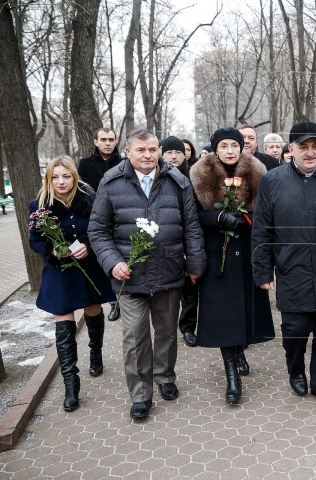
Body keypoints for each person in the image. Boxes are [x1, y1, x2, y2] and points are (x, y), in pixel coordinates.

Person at [88, 129, 207, 419]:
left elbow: (192, 226)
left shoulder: (178, 181)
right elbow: (98, 230)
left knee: (166, 332)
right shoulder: (111, 182)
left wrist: (195, 263)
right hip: (129, 277)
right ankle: (141, 394)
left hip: (168, 271)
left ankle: (165, 377)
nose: (147, 155)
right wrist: (112, 262)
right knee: (135, 337)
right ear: (127, 152)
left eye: (153, 150)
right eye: (141, 150)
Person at [252, 121, 316, 409]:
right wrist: (262, 270)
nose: (310, 153)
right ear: (291, 149)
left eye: (315, 147)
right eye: (303, 147)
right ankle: (296, 370)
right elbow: (262, 230)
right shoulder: (272, 181)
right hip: (291, 269)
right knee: (295, 330)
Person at [190, 127, 275, 403]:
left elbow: (265, 212)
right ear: (215, 149)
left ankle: (240, 350)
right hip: (217, 255)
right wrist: (217, 219)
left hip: (248, 251)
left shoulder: (256, 171)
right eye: (224, 146)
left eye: (234, 146)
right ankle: (232, 377)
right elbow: (193, 217)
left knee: (244, 307)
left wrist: (245, 220)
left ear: (242, 148)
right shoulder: (200, 174)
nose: (229, 151)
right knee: (225, 313)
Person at [29, 156, 115, 412]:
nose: (61, 181)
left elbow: (104, 228)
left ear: (74, 177)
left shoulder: (91, 198)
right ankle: (71, 384)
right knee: (64, 325)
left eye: (66, 176)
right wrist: (52, 250)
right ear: (48, 179)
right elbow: (34, 241)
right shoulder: (39, 205)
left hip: (89, 268)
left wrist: (89, 245)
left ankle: (96, 354)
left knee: (93, 311)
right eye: (55, 177)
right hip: (60, 272)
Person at [77, 127, 124, 321]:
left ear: (115, 142)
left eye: (111, 139)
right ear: (95, 142)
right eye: (103, 139)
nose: (107, 143)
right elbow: (82, 190)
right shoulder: (85, 164)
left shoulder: (123, 163)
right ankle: (112, 301)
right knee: (101, 258)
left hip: (121, 216)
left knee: (119, 257)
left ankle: (120, 299)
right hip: (95, 216)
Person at [161, 136, 198, 347]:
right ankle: (167, 329)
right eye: (169, 152)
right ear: (162, 154)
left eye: (178, 152)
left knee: (191, 288)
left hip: (190, 236)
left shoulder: (193, 176)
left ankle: (187, 327)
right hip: (166, 239)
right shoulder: (156, 176)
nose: (174, 156)